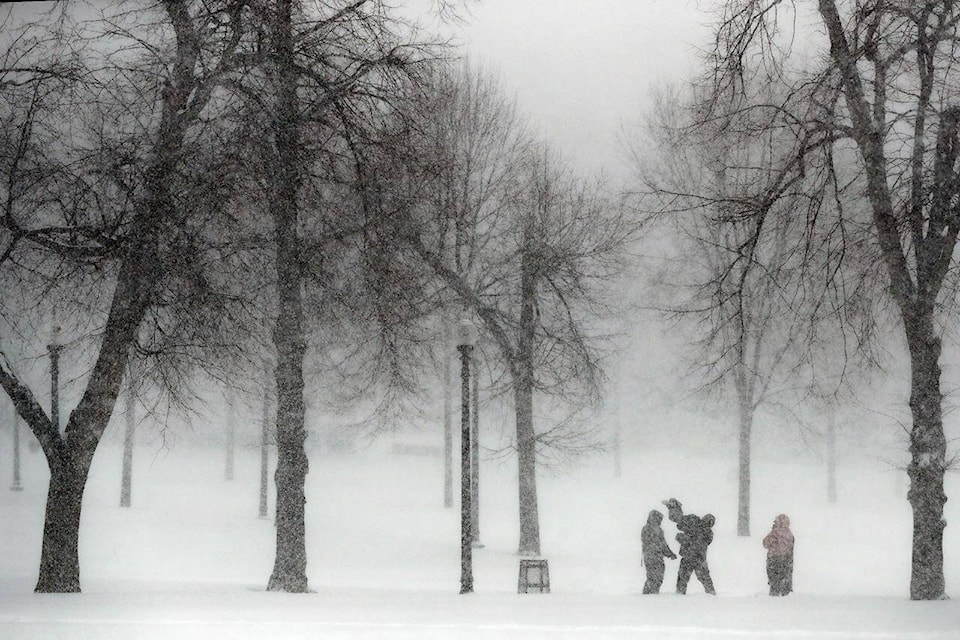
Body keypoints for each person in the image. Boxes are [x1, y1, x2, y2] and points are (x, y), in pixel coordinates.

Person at [662, 498, 716, 595]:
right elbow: (679, 521)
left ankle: (681, 595)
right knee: (703, 578)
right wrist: (674, 509)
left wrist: (684, 538)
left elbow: (680, 521)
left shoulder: (698, 525)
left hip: (691, 557)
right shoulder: (699, 525)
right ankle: (711, 593)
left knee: (684, 578)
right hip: (698, 558)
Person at [641, 510, 677, 594]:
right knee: (653, 577)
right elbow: (656, 543)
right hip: (652, 557)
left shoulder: (658, 530)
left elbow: (663, 544)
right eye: (658, 519)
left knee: (658, 577)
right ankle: (648, 595)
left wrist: (670, 554)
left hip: (656, 557)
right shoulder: (647, 529)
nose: (660, 521)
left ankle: (652, 594)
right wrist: (667, 552)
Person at [762, 514, 794, 596]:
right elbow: (791, 548)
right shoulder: (790, 534)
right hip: (786, 559)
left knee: (774, 578)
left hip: (774, 559)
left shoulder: (774, 533)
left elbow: (765, 543)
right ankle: (785, 592)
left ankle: (774, 593)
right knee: (784, 576)